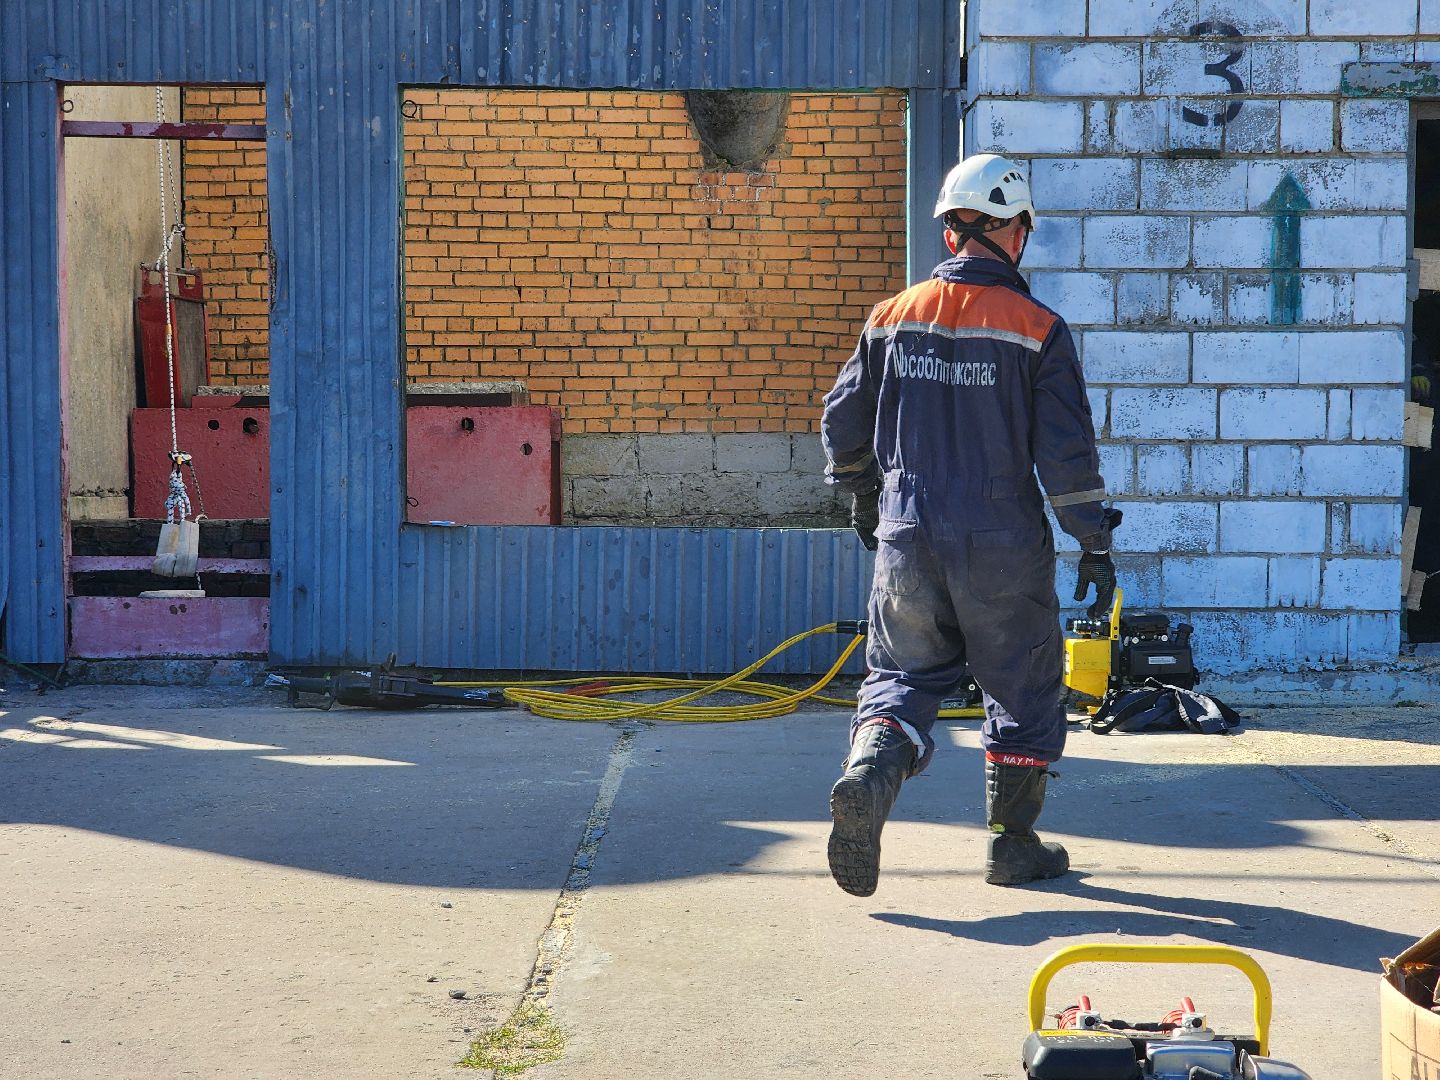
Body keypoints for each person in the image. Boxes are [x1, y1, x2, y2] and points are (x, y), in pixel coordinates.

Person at [820, 153, 1121, 897]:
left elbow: (842, 424)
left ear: (952, 232)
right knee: (1021, 686)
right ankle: (1011, 845)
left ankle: (870, 773)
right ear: (1014, 231)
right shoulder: (1037, 327)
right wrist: (1094, 541)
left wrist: (864, 496)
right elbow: (1066, 455)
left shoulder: (890, 316)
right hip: (1001, 541)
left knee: (900, 676)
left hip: (908, 530)